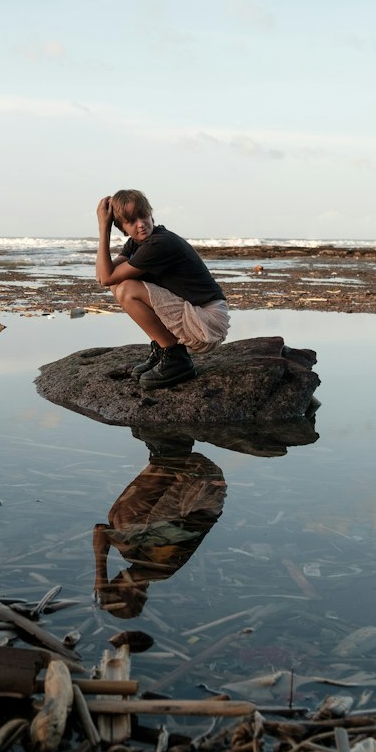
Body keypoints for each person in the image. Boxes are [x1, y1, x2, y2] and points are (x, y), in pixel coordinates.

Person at [95, 188, 229, 388]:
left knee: (126, 289)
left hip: (207, 321)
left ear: (151, 213)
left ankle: (176, 358)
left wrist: (103, 229)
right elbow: (104, 276)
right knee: (119, 285)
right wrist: (105, 228)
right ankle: (163, 349)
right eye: (131, 221)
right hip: (196, 315)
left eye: (143, 215)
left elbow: (105, 277)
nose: (141, 224)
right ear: (122, 228)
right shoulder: (136, 244)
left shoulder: (160, 243)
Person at [93, 432, 226, 619]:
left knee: (116, 520)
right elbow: (103, 533)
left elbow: (100, 530)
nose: (134, 590)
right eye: (136, 596)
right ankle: (173, 454)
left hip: (195, 478)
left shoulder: (133, 555)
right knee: (124, 524)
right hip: (204, 481)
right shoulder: (158, 567)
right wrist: (100, 578)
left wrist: (101, 577)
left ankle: (164, 457)